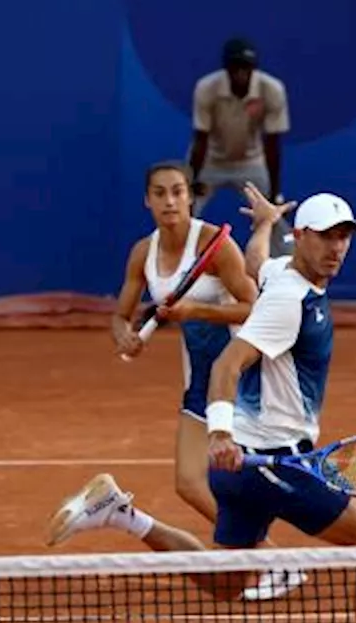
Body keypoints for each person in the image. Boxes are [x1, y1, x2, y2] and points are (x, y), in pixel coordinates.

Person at [49, 191, 356, 623]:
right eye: (326, 235)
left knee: (226, 582)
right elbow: (227, 367)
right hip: (269, 464)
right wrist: (220, 434)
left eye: (345, 236)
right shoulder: (287, 303)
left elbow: (258, 259)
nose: (337, 247)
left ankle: (122, 513)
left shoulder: (281, 271)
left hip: (247, 472)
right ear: (302, 238)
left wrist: (263, 224)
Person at [103, 160, 303, 600]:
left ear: (189, 196)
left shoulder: (214, 244)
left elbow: (254, 307)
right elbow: (121, 315)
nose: (170, 201)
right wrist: (128, 336)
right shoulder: (143, 253)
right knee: (190, 483)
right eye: (160, 193)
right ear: (147, 200)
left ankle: (289, 554)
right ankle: (277, 558)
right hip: (201, 379)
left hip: (242, 377)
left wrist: (195, 311)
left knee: (273, 484)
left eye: (177, 191)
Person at [188, 37, 293, 258]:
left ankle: (285, 266)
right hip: (210, 159)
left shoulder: (271, 90)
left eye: (245, 67)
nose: (240, 73)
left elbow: (273, 145)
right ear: (226, 68)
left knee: (271, 214)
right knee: (184, 209)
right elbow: (200, 139)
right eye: (235, 67)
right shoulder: (207, 88)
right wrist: (192, 181)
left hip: (251, 161)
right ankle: (180, 266)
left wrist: (273, 194)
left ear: (254, 68)